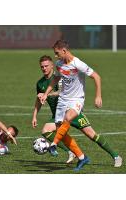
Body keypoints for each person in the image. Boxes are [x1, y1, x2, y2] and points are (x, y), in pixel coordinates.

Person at [40, 40, 122, 169]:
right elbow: (56, 78)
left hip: (76, 100)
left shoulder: (78, 64)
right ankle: (82, 157)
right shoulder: (59, 64)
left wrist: (98, 95)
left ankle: (116, 156)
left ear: (64, 51)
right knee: (60, 130)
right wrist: (46, 93)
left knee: (86, 131)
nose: (56, 56)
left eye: (57, 53)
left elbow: (96, 77)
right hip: (63, 100)